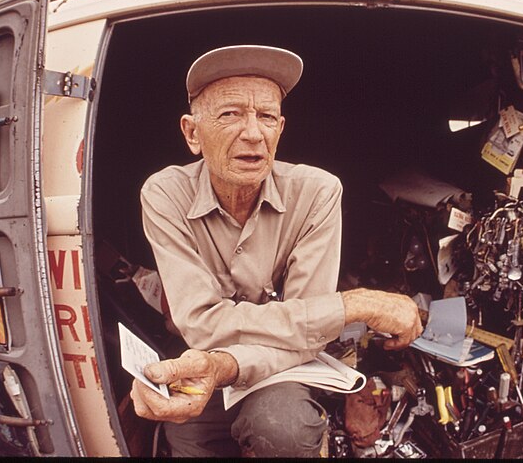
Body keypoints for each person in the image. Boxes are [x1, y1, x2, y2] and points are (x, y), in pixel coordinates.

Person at [131, 45, 423, 457]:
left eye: (266, 116)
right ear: (192, 133)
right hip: (199, 365)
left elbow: (311, 336)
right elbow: (201, 326)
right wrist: (352, 304)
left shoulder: (318, 192)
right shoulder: (165, 194)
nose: (253, 133)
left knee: (283, 427)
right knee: (188, 443)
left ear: (280, 128)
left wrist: (226, 365)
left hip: (280, 367)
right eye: (230, 114)